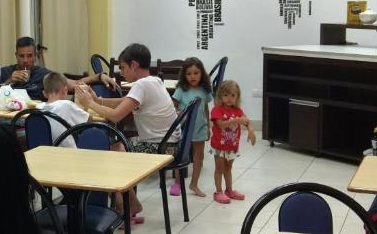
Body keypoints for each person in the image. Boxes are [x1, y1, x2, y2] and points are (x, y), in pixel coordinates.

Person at [74, 42, 178, 220]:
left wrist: (90, 104)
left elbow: (115, 116)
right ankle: (130, 204)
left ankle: (125, 207)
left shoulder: (141, 85)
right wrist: (98, 100)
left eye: (122, 67)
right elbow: (125, 103)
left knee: (108, 154)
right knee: (116, 147)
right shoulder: (154, 81)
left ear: (134, 65)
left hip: (161, 148)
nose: (121, 72)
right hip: (170, 145)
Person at [0, 36, 120, 101]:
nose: (25, 60)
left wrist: (99, 76)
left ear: (35, 56)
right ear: (16, 55)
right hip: (5, 119)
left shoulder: (43, 74)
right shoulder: (5, 72)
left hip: (30, 120)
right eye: (21, 56)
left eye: (29, 56)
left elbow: (75, 83)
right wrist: (9, 81)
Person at [170, 57, 211, 198]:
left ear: (202, 74)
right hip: (183, 130)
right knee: (180, 156)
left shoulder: (205, 90)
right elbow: (172, 107)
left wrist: (209, 127)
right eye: (189, 74)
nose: (192, 76)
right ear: (184, 75)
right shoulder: (181, 90)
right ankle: (177, 183)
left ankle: (194, 184)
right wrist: (178, 113)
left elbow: (206, 108)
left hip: (200, 129)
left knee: (199, 158)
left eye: (196, 73)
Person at [210, 79, 256, 204]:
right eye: (225, 95)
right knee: (219, 168)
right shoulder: (217, 110)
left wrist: (251, 131)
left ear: (237, 97)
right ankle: (218, 192)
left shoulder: (238, 111)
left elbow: (247, 121)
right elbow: (221, 125)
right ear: (220, 96)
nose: (229, 98)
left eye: (232, 95)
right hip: (219, 145)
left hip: (232, 146)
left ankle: (229, 190)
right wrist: (236, 121)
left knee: (228, 168)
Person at [36, 70, 90, 148]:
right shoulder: (66, 105)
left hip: (45, 153)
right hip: (67, 154)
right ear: (65, 90)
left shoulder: (38, 108)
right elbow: (88, 121)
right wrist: (86, 105)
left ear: (44, 93)